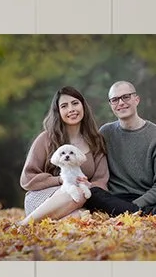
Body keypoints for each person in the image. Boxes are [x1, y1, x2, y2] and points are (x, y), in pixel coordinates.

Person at [85, 81, 156, 219]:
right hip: (114, 199)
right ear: (111, 105)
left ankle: (134, 213)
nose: (121, 103)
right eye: (115, 100)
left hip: (145, 198)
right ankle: (155, 215)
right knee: (93, 193)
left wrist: (134, 206)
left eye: (126, 97)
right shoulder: (105, 132)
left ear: (137, 99)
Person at [18, 87, 112, 220]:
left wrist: (89, 184)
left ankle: (46, 225)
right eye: (64, 106)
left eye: (75, 103)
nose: (71, 109)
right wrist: (60, 180)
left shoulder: (95, 141)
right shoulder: (45, 139)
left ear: (83, 106)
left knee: (81, 215)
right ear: (58, 112)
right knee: (75, 193)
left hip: (79, 201)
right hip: (42, 200)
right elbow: (27, 178)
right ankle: (26, 223)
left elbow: (101, 179)